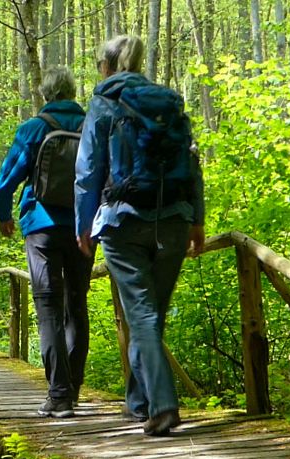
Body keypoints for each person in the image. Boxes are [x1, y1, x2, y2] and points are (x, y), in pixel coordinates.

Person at [74, 35, 205, 437]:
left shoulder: (103, 102)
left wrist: (83, 226)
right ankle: (139, 403)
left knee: (142, 316)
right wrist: (198, 219)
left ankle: (163, 406)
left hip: (122, 221)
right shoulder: (169, 101)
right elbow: (192, 160)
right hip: (174, 219)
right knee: (151, 316)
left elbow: (89, 169)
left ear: (106, 66)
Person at [0, 66, 94, 419]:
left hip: (42, 227)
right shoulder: (91, 126)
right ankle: (73, 391)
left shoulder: (35, 129)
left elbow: (4, 182)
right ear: (73, 90)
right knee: (77, 307)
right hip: (84, 229)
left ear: (45, 94)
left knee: (49, 307)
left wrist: (3, 214)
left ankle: (59, 395)